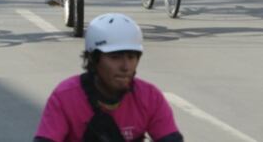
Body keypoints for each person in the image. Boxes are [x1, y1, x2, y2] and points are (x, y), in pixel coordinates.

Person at [34, 13, 182, 142]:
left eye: (131, 57)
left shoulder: (149, 97)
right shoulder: (65, 97)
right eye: (115, 57)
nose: (125, 66)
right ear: (93, 59)